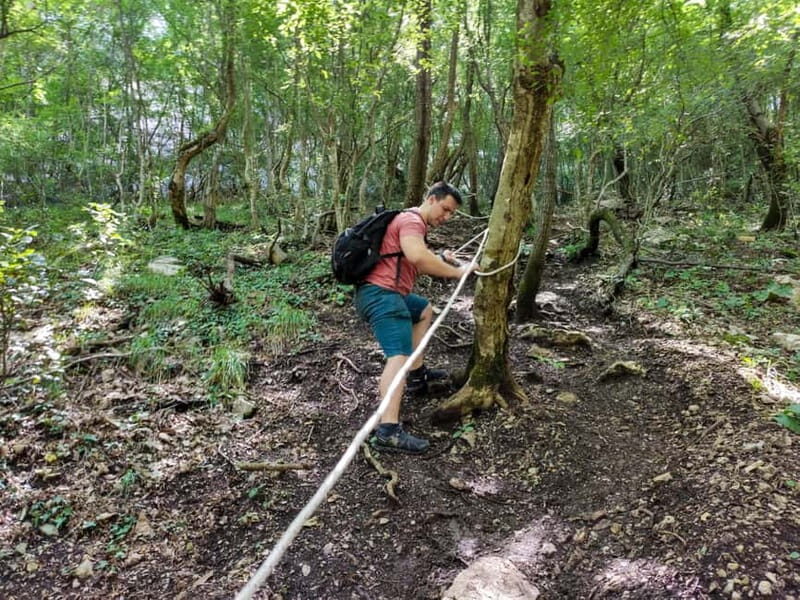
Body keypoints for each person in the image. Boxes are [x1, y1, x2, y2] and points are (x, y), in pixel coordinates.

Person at [355, 181, 476, 454]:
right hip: (383, 296)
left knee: (423, 309)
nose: (445, 217)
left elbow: (409, 257)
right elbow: (417, 257)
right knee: (397, 356)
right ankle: (388, 431)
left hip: (384, 293)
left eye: (451, 214)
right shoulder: (412, 221)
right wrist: (459, 271)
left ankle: (418, 377)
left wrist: (443, 257)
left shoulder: (408, 219)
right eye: (445, 209)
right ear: (431, 199)